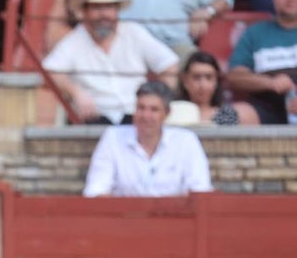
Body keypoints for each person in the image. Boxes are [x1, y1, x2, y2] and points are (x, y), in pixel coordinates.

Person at [43, 0, 181, 124]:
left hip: (137, 116)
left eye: (109, 8)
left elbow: (169, 64)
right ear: (84, 12)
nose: (104, 15)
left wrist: (162, 99)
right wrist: (76, 93)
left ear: (117, 11)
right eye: (97, 8)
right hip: (96, 117)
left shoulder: (133, 32)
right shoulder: (75, 40)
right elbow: (50, 71)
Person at [83, 80, 213, 196]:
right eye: (141, 108)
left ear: (166, 114)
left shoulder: (186, 141)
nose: (145, 115)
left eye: (154, 110)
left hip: (173, 220)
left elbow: (200, 191)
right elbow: (96, 191)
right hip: (125, 220)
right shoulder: (113, 138)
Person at [226, 0, 297, 124]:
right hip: (265, 107)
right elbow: (234, 77)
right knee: (226, 116)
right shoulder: (255, 33)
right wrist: (271, 83)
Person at [122, 0, 234, 61]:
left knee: (198, 66)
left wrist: (208, 11)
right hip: (130, 44)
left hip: (175, 45)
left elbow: (225, 0)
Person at [178, 50, 260, 123]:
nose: (203, 85)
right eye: (196, 77)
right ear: (185, 81)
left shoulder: (232, 114)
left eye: (209, 77)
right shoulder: (173, 114)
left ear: (216, 81)